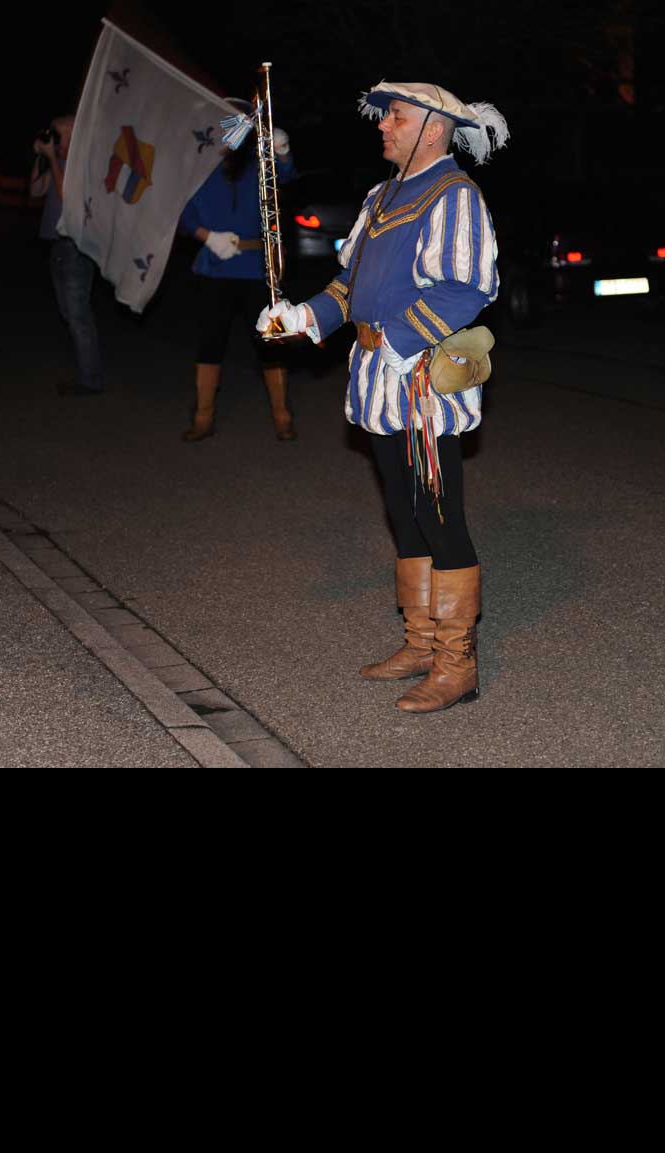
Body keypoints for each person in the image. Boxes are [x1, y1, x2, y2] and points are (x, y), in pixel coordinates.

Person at [257, 80, 506, 714]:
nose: (383, 125)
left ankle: (457, 663)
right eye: (387, 115)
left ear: (434, 129)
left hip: (420, 378)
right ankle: (421, 642)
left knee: (439, 515)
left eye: (396, 116)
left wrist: (398, 340)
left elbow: (467, 287)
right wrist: (303, 317)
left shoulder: (455, 196)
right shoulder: (381, 195)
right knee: (402, 508)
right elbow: (349, 285)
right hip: (377, 377)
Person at [178, 102, 297, 441]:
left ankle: (282, 413)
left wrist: (282, 150)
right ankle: (203, 417)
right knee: (210, 342)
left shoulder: (259, 165)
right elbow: (184, 213)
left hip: (256, 270)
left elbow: (285, 176)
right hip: (214, 268)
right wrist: (206, 236)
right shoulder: (200, 167)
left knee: (270, 341)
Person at [32, 115, 104, 397]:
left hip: (76, 247)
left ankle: (90, 379)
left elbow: (68, 198)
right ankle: (88, 372)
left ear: (75, 135)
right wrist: (41, 158)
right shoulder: (58, 163)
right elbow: (35, 190)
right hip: (57, 246)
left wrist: (52, 159)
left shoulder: (82, 164)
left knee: (78, 315)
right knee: (70, 313)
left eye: (59, 134)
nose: (56, 140)